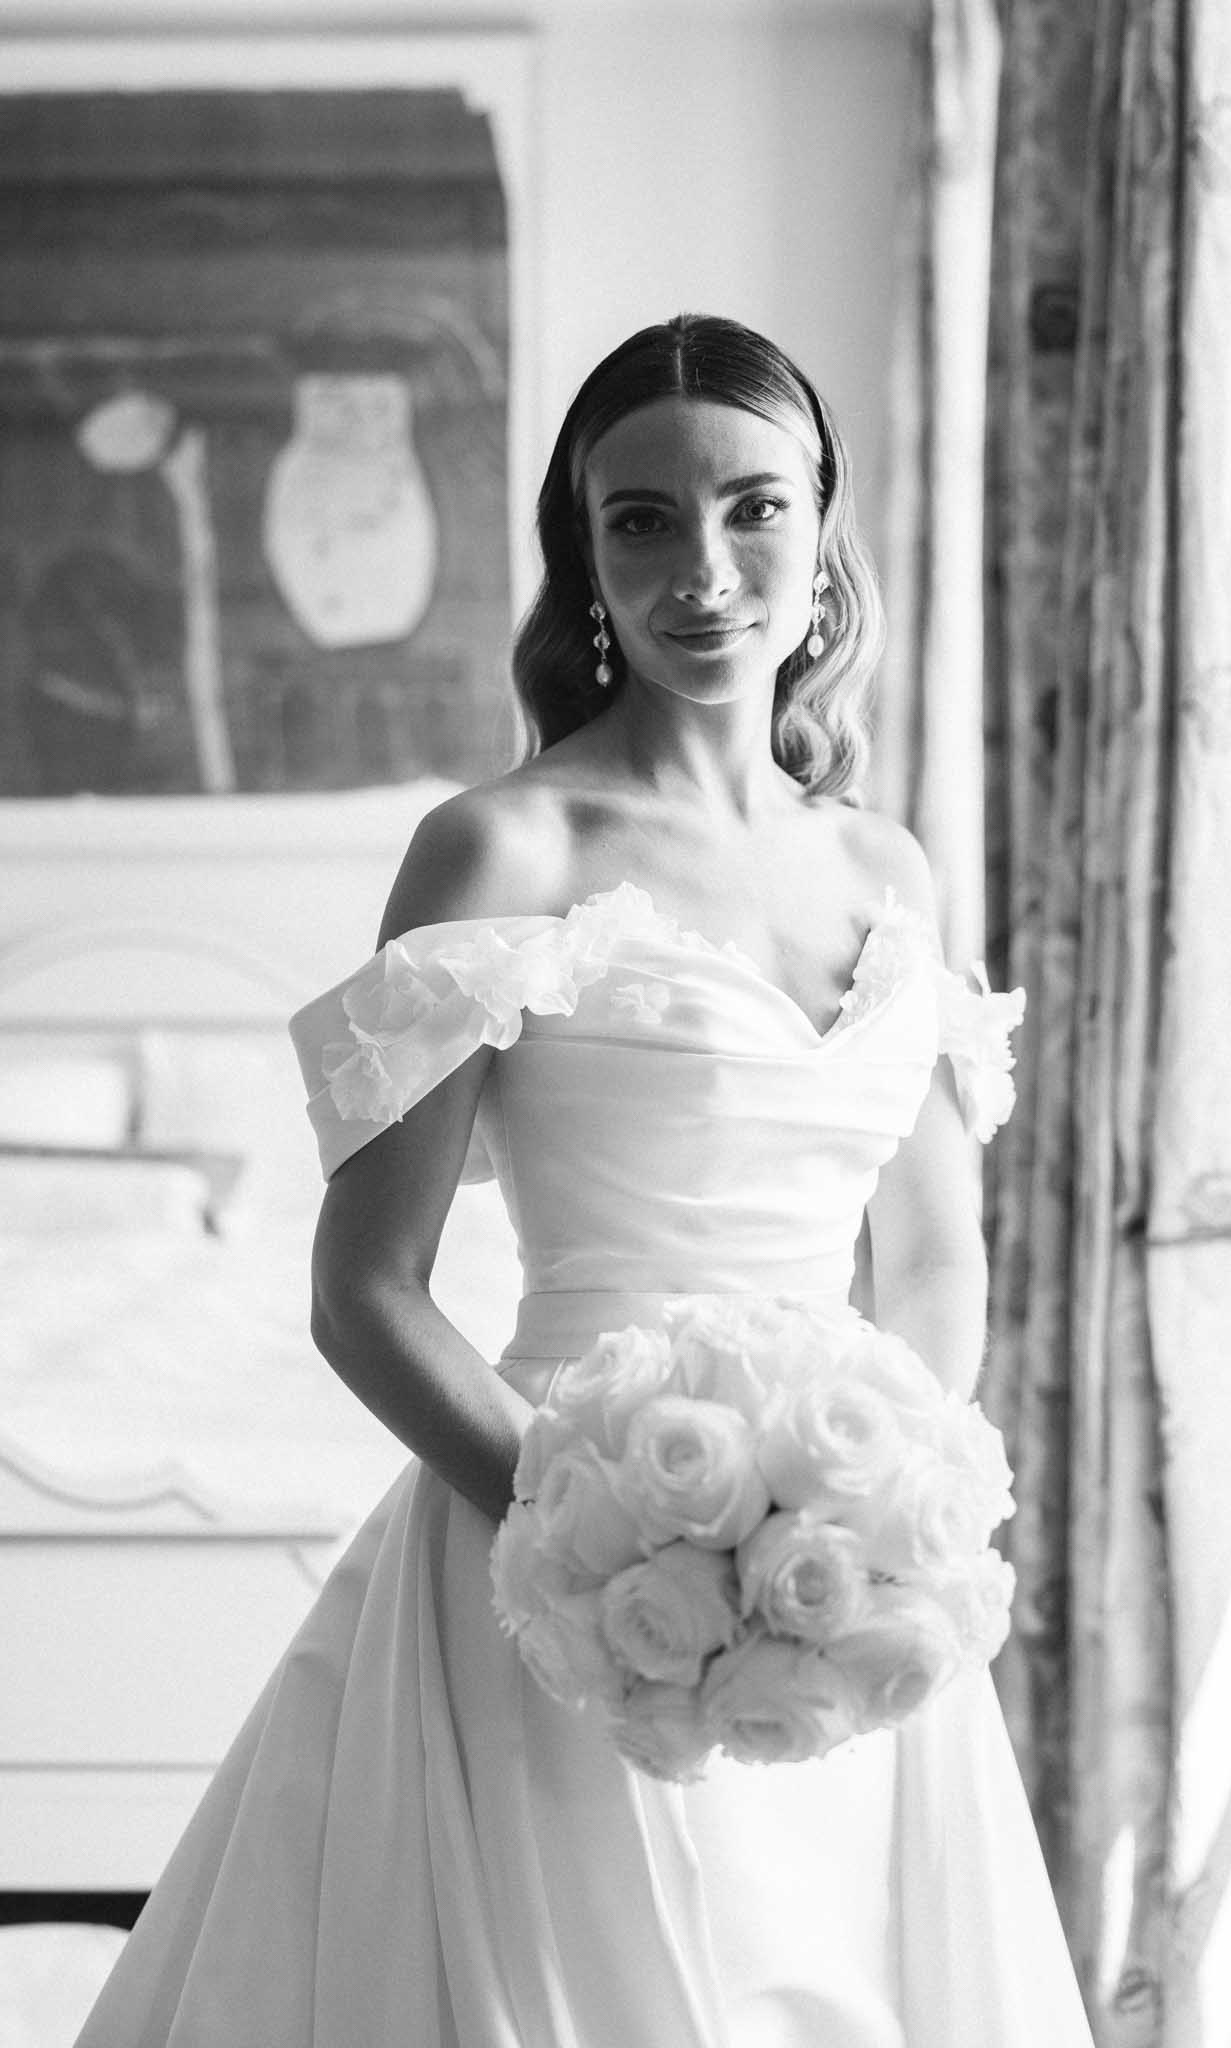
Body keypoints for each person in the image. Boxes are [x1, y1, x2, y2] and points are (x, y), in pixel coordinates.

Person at [76, 314, 1096, 2047]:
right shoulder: (503, 847)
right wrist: (600, 1545)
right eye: (642, 521)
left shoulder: (882, 863)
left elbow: (930, 1263)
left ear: (822, 531)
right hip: (548, 1562)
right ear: (584, 558)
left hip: (836, 1589)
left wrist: (845, 1530)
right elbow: (365, 1295)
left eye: (753, 509)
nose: (703, 570)